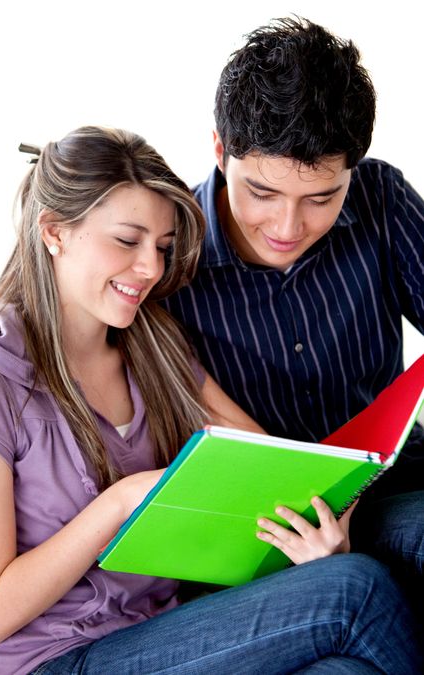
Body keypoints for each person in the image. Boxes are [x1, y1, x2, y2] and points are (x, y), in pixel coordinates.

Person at [0, 126, 421, 675]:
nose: (150, 269)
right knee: (354, 590)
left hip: (155, 631)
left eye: (161, 248)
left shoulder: (153, 344)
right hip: (51, 660)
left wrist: (319, 531)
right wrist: (120, 502)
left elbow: (269, 462)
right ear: (54, 232)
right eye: (126, 240)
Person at [162, 17, 424, 625]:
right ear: (221, 151)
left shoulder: (379, 197)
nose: (286, 228)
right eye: (261, 192)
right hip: (268, 526)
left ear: (352, 171)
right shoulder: (163, 256)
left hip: (387, 478)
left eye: (321, 198)